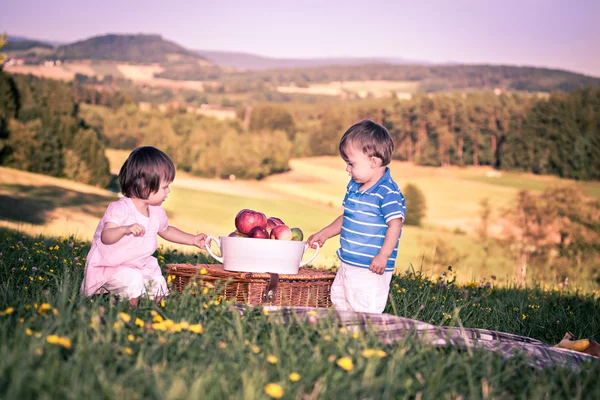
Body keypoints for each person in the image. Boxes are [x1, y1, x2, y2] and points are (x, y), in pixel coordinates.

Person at [81, 146, 207, 306]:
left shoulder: (156, 212)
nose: (168, 191)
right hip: (112, 266)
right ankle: (131, 313)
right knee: (133, 280)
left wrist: (193, 239)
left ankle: (159, 311)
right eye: (164, 187)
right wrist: (124, 229)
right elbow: (106, 237)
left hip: (140, 264)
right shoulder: (121, 208)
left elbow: (166, 230)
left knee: (158, 282)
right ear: (144, 186)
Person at [307, 120, 406, 314]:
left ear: (373, 162)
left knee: (364, 306)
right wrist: (325, 233)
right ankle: (345, 335)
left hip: (371, 266)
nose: (347, 169)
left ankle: (364, 335)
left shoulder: (388, 193)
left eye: (351, 163)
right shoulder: (354, 187)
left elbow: (395, 225)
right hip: (348, 261)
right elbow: (348, 217)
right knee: (340, 298)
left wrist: (383, 256)